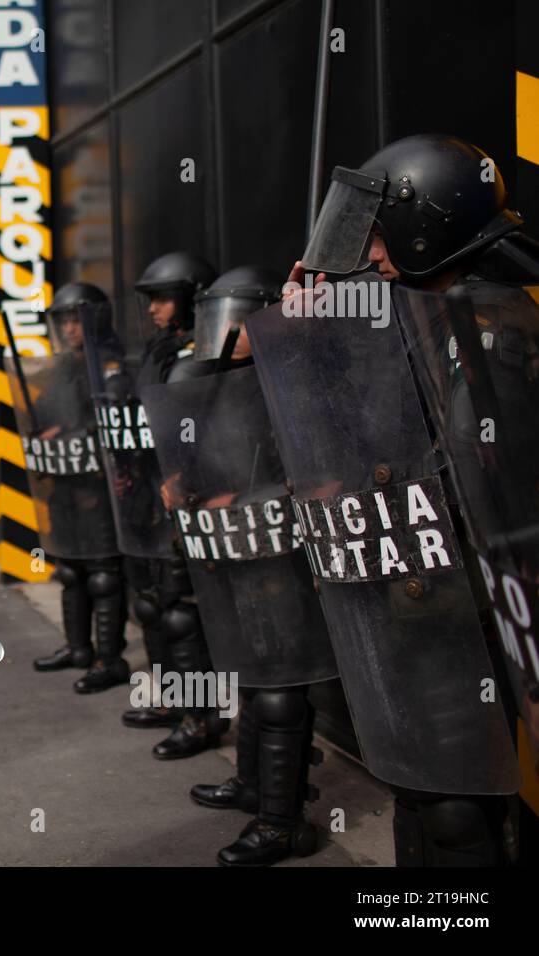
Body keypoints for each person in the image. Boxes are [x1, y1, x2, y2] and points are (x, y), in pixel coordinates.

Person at [250, 133, 523, 865]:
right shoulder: (410, 317)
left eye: (379, 236)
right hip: (420, 599)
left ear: (424, 222)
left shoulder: (500, 330)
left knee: (459, 805)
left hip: (475, 613)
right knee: (419, 788)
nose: (370, 254)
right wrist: (303, 336)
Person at [144, 265, 337, 865]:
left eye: (230, 319)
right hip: (232, 553)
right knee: (252, 677)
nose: (218, 333)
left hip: (279, 554)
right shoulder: (214, 383)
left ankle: (282, 823)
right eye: (212, 319)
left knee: (280, 687)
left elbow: (325, 480)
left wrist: (248, 499)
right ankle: (255, 786)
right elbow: (202, 454)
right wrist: (180, 481)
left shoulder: (297, 382)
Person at [95, 252, 228, 756]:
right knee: (152, 605)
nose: (152, 308)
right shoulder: (160, 349)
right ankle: (173, 699)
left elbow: (212, 432)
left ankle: (202, 718)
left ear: (193, 298)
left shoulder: (206, 352)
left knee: (182, 614)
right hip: (150, 497)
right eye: (149, 298)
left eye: (163, 298)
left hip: (186, 498)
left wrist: (187, 480)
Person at [18, 283, 130, 693]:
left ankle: (109, 658)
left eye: (74, 319)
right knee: (70, 569)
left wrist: (64, 431)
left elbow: (113, 420)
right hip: (65, 480)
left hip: (98, 485)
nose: (68, 328)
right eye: (62, 320)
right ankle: (78, 646)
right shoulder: (64, 366)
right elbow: (47, 409)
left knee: (103, 574)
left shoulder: (111, 364)